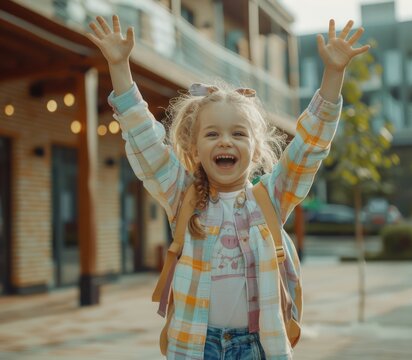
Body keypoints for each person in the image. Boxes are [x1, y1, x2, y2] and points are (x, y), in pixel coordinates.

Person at [87, 14, 369, 360]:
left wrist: (333, 75)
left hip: (257, 346)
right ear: (194, 148)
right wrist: (119, 66)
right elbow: (144, 139)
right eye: (212, 134)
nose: (225, 142)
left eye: (238, 133)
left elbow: (308, 148)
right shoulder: (182, 195)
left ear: (256, 147)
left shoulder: (272, 197)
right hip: (194, 344)